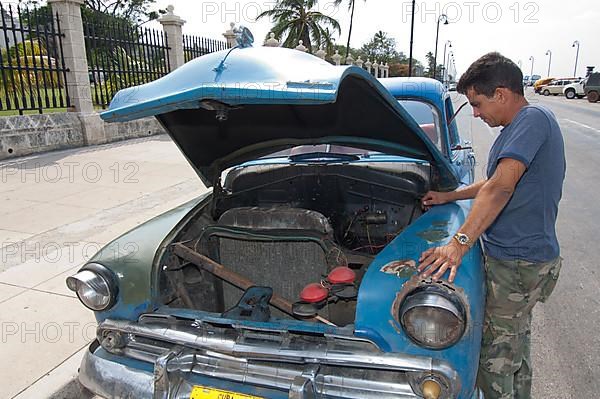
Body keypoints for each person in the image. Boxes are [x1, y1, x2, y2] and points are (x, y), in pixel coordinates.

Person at [417, 52, 566, 398]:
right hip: (522, 261)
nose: (476, 113)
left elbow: (501, 186)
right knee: (515, 345)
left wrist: (458, 243)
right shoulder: (520, 126)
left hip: (517, 263)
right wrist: (448, 196)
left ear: (501, 94)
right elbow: (492, 181)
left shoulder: (532, 119)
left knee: (493, 359)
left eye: (478, 103)